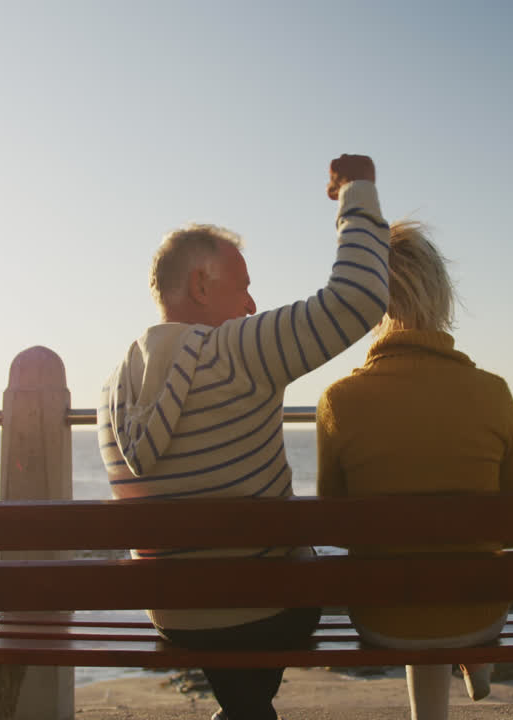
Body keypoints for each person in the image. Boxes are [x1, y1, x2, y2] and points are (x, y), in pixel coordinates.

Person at [97, 154, 390, 720]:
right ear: (202, 285)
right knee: (286, 581)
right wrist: (358, 190)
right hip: (268, 611)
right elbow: (358, 297)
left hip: (174, 618)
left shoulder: (112, 390)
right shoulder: (240, 351)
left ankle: (242, 711)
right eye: (244, 287)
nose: (254, 305)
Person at [315, 221, 513, 720]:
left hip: (383, 618)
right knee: (455, 574)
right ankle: (473, 664)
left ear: (369, 302)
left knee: (409, 578)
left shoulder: (338, 401)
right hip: (478, 614)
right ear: (442, 296)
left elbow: (333, 521)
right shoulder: (492, 392)